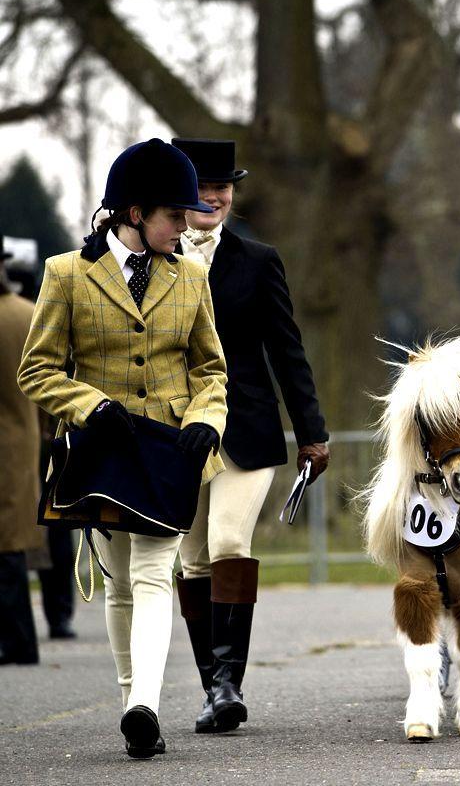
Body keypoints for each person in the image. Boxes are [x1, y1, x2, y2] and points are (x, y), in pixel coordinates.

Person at [18, 138, 227, 758]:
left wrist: (206, 421)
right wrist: (90, 407)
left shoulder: (190, 277)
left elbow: (212, 369)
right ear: (135, 213)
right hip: (103, 452)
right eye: (174, 215)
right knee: (119, 586)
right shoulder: (65, 275)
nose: (187, 226)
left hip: (171, 452)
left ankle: (145, 708)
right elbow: (38, 370)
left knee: (155, 571)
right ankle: (132, 696)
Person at [171, 137, 329, 734]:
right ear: (181, 197)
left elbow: (288, 352)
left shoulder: (258, 260)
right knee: (191, 557)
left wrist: (311, 433)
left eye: (223, 188)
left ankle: (228, 682)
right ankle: (213, 688)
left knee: (229, 542)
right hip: (179, 432)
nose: (213, 197)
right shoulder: (153, 261)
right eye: (202, 189)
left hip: (248, 426)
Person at [0, 243, 41, 665]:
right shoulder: (26, 314)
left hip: (9, 444)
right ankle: (22, 641)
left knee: (8, 548)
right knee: (13, 546)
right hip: (25, 441)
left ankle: (17, 643)